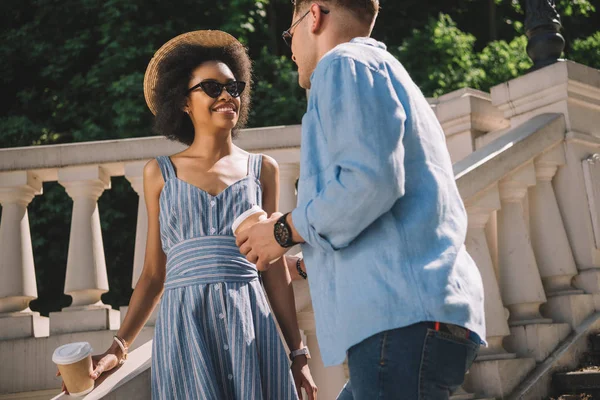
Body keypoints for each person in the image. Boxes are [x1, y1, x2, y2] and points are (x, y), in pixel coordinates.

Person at [236, 2, 486, 398]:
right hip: (417, 319)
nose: (291, 49)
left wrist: (283, 230)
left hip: (399, 324)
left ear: (314, 16)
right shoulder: (387, 73)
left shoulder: (342, 64)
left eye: (290, 34)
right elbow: (391, 217)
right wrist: (303, 267)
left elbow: (368, 183)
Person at [61, 30, 317, 400]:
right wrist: (117, 349)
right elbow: (153, 273)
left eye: (234, 87)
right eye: (212, 88)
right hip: (184, 330)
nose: (228, 95)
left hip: (251, 327)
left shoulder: (263, 170)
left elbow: (273, 269)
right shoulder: (159, 174)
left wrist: (298, 354)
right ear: (183, 101)